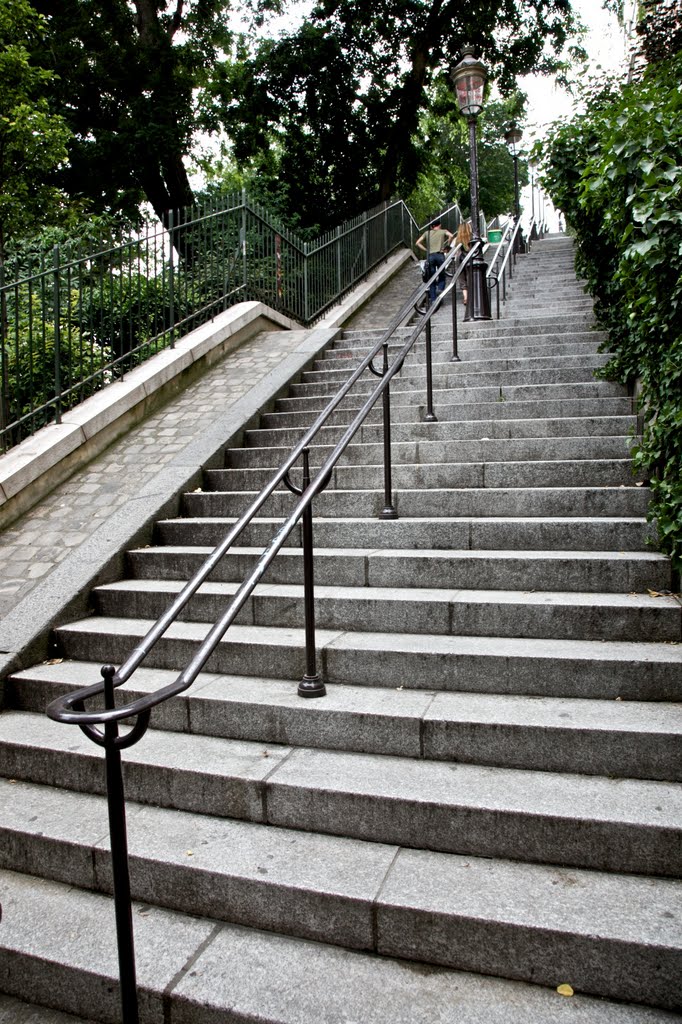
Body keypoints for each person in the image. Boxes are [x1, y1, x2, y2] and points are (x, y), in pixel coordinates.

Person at [416, 217, 454, 303]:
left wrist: (426, 250)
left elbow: (417, 243)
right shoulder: (442, 231)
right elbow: (451, 236)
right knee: (442, 274)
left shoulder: (427, 233)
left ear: (432, 227)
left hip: (431, 256)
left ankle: (433, 299)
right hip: (440, 255)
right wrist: (447, 246)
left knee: (431, 277)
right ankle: (440, 289)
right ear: (439, 225)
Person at [454, 220, 472, 307]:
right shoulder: (472, 237)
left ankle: (466, 297)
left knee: (462, 278)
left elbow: (455, 250)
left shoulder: (458, 239)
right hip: (469, 258)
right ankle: (472, 295)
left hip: (459, 258)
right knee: (470, 276)